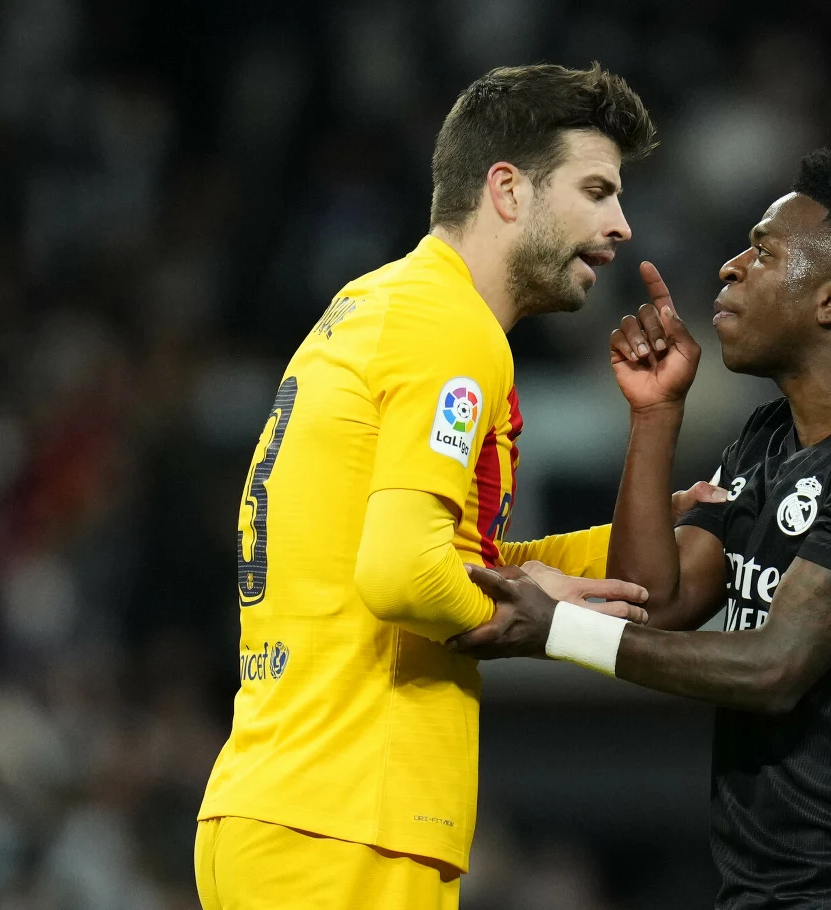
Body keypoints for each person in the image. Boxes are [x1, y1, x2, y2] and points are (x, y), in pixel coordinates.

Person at [454, 149, 831, 909]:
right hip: (764, 885)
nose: (731, 268)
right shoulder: (767, 439)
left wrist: (559, 631)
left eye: (764, 252)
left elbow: (774, 667)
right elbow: (654, 600)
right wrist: (655, 414)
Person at [193, 64, 665, 910]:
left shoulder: (379, 304)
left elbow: (434, 554)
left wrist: (636, 536)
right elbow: (406, 574)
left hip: (282, 809)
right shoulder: (453, 329)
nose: (620, 225)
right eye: (596, 190)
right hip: (351, 822)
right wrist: (552, 623)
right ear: (508, 190)